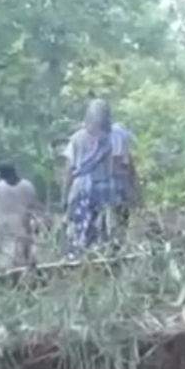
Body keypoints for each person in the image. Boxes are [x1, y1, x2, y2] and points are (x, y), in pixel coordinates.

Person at [63, 99, 118, 258]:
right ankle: (99, 255)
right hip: (104, 188)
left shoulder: (76, 138)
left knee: (79, 225)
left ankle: (77, 254)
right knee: (101, 227)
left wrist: (65, 195)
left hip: (82, 189)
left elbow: (69, 168)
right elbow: (111, 168)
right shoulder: (109, 140)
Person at [0, 164, 38, 272]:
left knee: (3, 257)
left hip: (2, 226)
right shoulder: (28, 186)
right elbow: (32, 205)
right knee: (21, 257)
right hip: (21, 226)